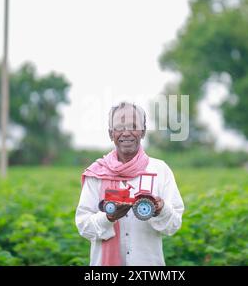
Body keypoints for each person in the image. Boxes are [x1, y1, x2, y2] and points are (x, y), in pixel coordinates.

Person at [75, 102, 184, 266]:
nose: (126, 133)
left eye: (133, 126)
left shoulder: (160, 170)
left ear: (143, 131)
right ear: (111, 133)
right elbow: (84, 226)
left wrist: (161, 209)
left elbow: (173, 226)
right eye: (119, 127)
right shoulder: (96, 173)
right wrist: (108, 217)